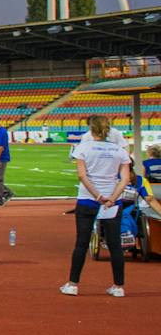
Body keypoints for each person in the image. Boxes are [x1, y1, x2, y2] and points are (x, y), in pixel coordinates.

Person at [61, 114, 130, 298]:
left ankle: (73, 284)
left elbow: (82, 175)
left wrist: (97, 196)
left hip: (87, 199)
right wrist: (112, 197)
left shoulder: (83, 147)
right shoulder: (119, 150)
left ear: (91, 129)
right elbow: (125, 179)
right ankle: (118, 286)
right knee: (115, 244)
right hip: (112, 201)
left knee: (81, 243)